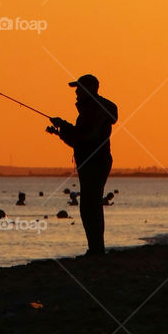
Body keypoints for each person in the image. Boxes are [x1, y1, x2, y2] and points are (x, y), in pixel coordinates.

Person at [48, 74, 118, 256]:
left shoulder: (94, 110)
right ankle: (95, 248)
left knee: (90, 206)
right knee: (90, 205)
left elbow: (84, 138)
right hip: (93, 162)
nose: (76, 92)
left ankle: (96, 249)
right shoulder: (90, 110)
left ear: (88, 89)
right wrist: (62, 129)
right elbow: (80, 137)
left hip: (95, 163)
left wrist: (63, 128)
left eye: (79, 88)